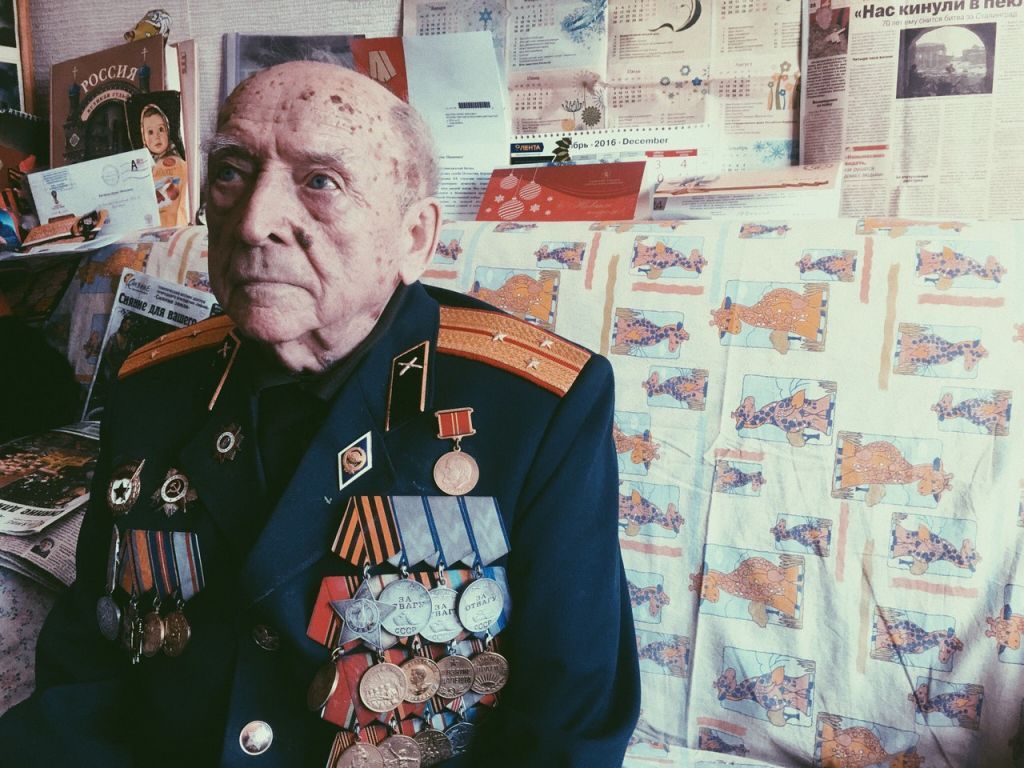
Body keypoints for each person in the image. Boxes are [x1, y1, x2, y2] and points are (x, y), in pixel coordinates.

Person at [0, 61, 640, 766]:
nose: (253, 223)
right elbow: (87, 678)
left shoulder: (538, 407)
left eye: (320, 181)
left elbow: (565, 733)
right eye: (232, 172)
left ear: (414, 238)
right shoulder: (154, 384)